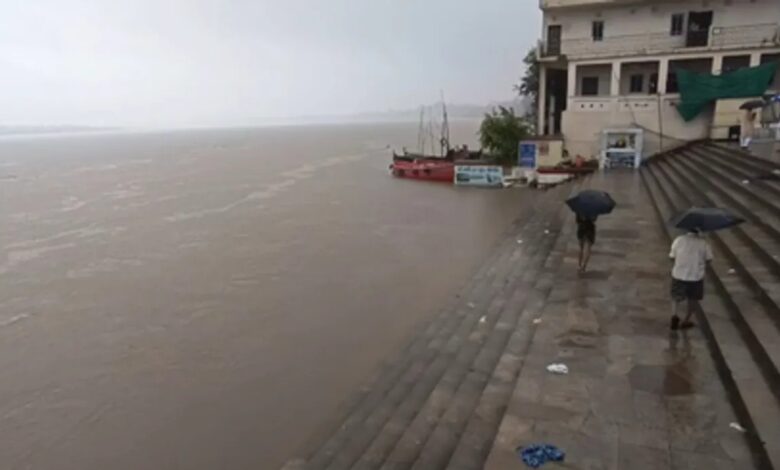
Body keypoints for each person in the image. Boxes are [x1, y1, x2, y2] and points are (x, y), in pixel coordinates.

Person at [669, 229, 713, 330]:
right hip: (695, 276)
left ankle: (674, 315)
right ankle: (686, 319)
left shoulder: (679, 240)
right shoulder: (703, 243)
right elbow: (709, 259)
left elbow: (672, 256)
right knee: (693, 299)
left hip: (679, 274)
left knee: (675, 296)